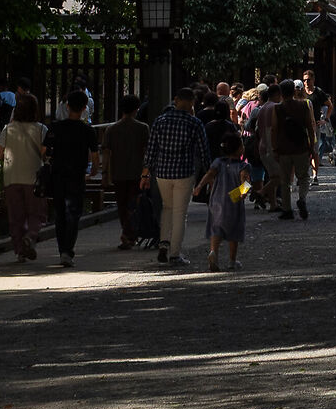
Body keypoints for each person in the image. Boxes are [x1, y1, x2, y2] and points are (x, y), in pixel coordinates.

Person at [142, 86, 210, 266]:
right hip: (184, 172)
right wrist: (209, 172)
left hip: (162, 171)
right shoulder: (194, 123)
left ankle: (163, 242)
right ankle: (175, 253)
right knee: (180, 213)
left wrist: (145, 172)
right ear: (192, 103)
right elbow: (204, 151)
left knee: (167, 208)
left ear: (176, 100)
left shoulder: (160, 121)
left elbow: (151, 149)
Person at [41, 90, 98, 268]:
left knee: (59, 214)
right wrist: (92, 172)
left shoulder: (55, 127)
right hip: (77, 175)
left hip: (58, 174)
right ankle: (68, 250)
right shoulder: (87, 130)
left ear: (67, 106)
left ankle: (62, 250)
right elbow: (94, 156)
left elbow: (43, 151)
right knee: (73, 213)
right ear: (84, 108)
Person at [0, 95, 48, 261]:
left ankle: (19, 251)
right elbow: (44, 153)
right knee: (36, 213)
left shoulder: (8, 129)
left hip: (11, 177)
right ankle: (30, 237)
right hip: (34, 177)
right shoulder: (41, 129)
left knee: (16, 216)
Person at [99, 95, 151, 249]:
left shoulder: (111, 129)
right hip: (137, 172)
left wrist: (104, 173)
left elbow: (107, 153)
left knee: (121, 205)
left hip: (118, 172)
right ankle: (130, 234)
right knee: (134, 204)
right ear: (137, 109)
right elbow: (147, 151)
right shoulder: (142, 128)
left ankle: (127, 233)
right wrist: (147, 172)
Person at [264, 80, 314, 219]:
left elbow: (274, 129)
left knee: (285, 180)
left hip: (284, 148)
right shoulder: (303, 105)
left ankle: (287, 209)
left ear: (281, 93)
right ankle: (302, 198)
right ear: (294, 91)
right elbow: (309, 126)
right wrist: (311, 145)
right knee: (303, 177)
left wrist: (274, 148)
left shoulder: (278, 108)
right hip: (301, 146)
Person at [201, 133, 249, 272]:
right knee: (234, 231)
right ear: (240, 149)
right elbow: (245, 181)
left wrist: (199, 187)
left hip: (216, 199)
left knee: (216, 228)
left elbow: (209, 174)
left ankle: (213, 252)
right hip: (233, 201)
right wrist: (243, 193)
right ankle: (232, 261)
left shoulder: (218, 162)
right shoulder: (243, 166)